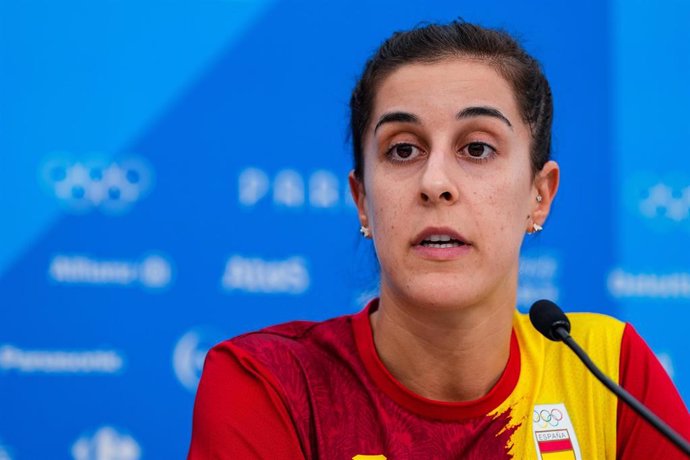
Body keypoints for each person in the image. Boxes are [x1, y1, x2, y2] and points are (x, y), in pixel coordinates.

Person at [188, 20, 690, 459]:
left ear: (540, 195)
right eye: (403, 150)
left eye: (476, 148)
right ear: (362, 199)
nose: (435, 182)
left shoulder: (609, 372)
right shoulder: (270, 382)